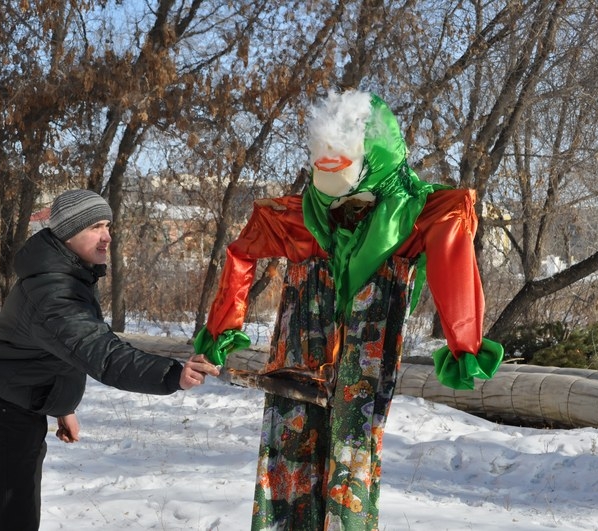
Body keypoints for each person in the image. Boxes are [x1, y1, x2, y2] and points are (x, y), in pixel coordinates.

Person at [193, 90, 503, 530]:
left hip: (363, 368)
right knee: (290, 460)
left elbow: (453, 256)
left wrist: (463, 342)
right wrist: (221, 329)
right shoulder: (298, 218)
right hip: (299, 360)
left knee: (350, 467)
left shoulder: (414, 216)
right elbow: (241, 252)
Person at [0, 189, 220, 531]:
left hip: (17, 406)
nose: (107, 237)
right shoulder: (54, 291)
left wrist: (62, 407)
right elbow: (102, 353)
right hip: (4, 415)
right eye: (95, 227)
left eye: (107, 225)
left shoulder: (68, 273)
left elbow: (58, 350)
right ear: (68, 233)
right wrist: (173, 374)